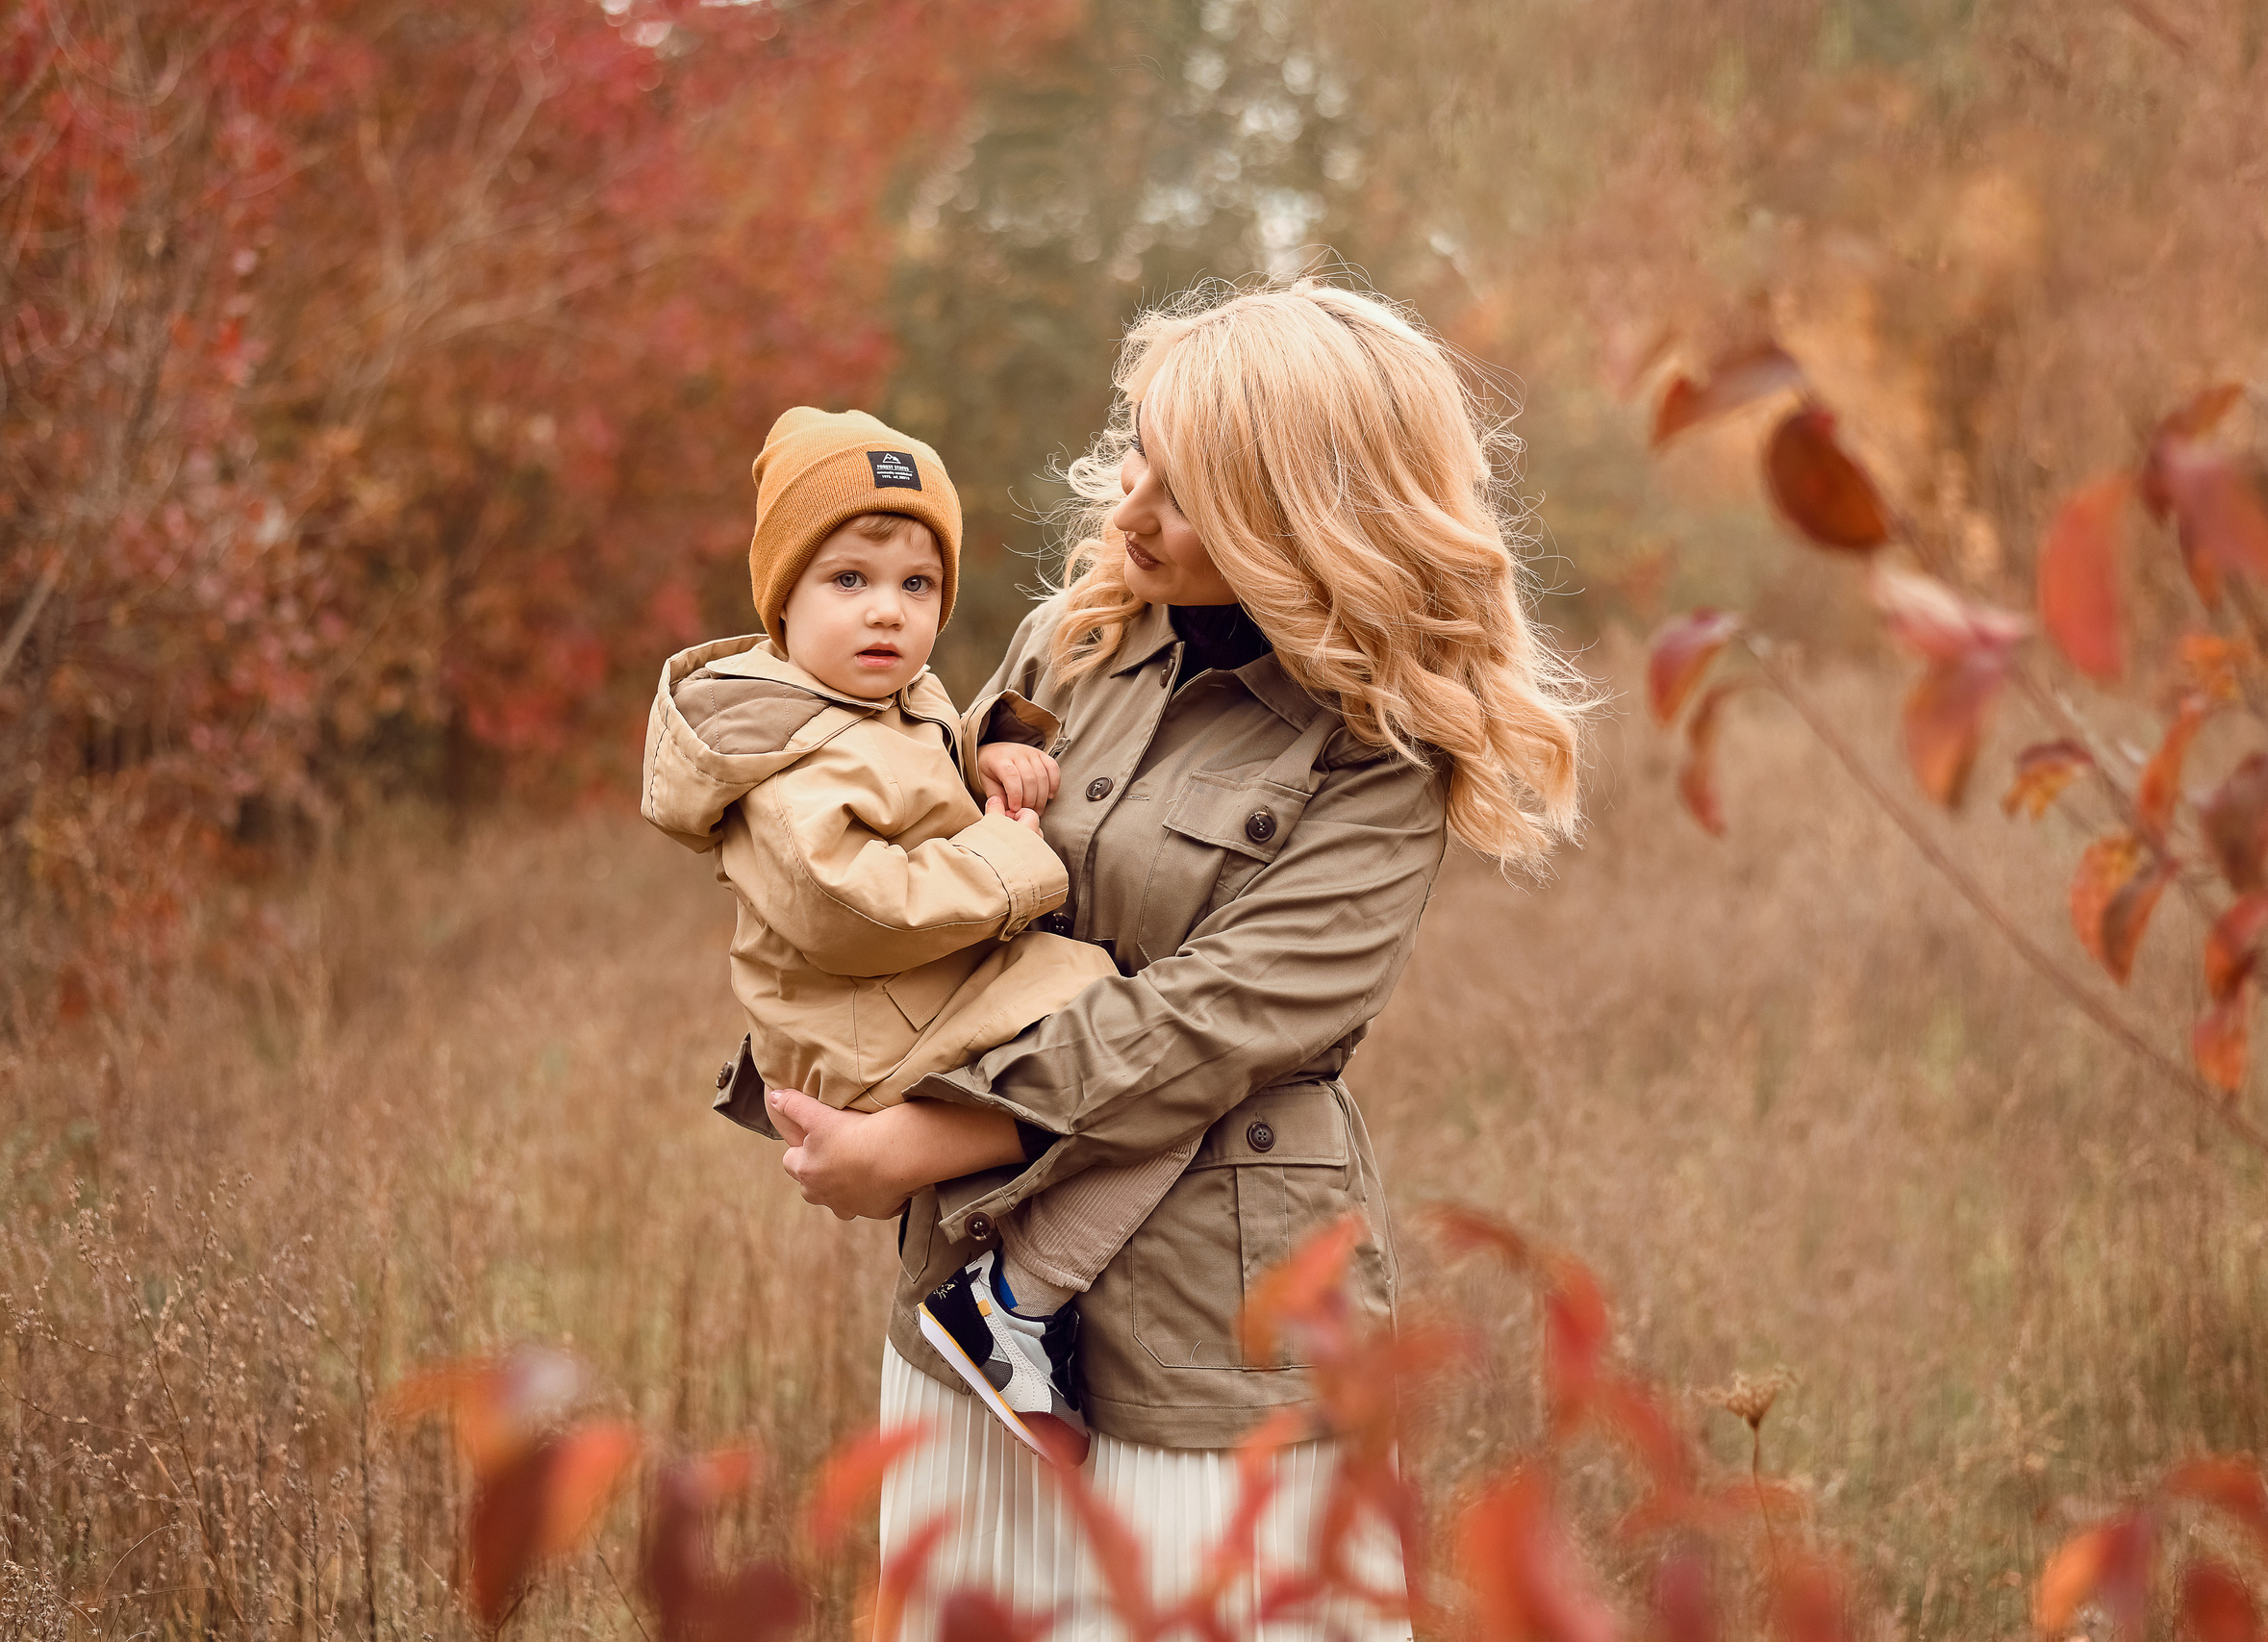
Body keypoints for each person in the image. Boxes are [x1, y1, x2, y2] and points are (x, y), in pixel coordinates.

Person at [765, 279, 1596, 1638]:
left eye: (1190, 486)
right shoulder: (1072, 643)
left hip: (1220, 1323)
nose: (1133, 505)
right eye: (1141, 450)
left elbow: (1228, 1014)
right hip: (967, 1292)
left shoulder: (1376, 745)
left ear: (1303, 515)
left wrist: (930, 1137)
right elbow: (929, 877)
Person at [642, 408, 1216, 1468]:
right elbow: (846, 905)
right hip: (867, 1023)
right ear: (780, 602)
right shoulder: (782, 755)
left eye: (917, 587)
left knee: (1139, 1052)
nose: (887, 614)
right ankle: (1011, 1304)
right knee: (1153, 1065)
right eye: (848, 580)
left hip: (914, 1000)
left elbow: (916, 772)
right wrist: (1008, 862)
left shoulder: (884, 701)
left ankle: (1019, 1293)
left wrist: (988, 746)